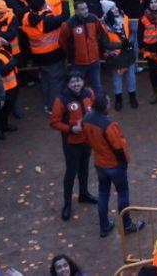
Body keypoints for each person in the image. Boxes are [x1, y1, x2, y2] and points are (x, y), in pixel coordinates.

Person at [83, 93, 145, 238]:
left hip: (99, 164)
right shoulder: (108, 124)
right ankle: (127, 224)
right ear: (105, 106)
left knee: (103, 193)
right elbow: (118, 147)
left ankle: (104, 226)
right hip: (115, 165)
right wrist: (123, 162)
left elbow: (86, 139)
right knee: (122, 193)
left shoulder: (86, 119)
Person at [50, 70, 98, 221]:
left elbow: (95, 109)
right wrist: (70, 129)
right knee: (71, 173)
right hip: (71, 143)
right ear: (68, 83)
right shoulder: (61, 99)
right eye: (73, 81)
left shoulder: (89, 93)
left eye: (78, 81)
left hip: (87, 140)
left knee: (84, 169)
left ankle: (84, 194)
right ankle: (67, 204)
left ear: (83, 81)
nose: (76, 84)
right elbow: (54, 122)